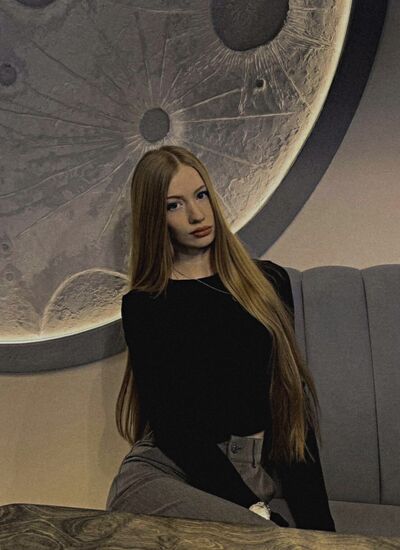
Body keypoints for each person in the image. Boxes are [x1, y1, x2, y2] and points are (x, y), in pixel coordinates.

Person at [106, 145, 336, 531]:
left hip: (247, 465)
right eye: (174, 205)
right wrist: (253, 510)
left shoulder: (267, 282)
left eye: (201, 196)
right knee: (264, 536)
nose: (196, 214)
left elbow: (289, 405)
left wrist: (323, 532)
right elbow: (174, 428)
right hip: (164, 470)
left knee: (271, 538)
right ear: (155, 218)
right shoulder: (145, 306)